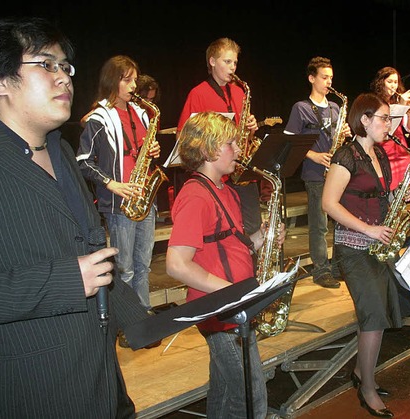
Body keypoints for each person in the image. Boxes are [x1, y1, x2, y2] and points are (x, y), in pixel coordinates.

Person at [0, 17, 151, 417]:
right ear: (0, 80)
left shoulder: (62, 152)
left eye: (66, 67)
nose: (64, 78)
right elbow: (75, 274)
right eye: (46, 65)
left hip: (103, 384)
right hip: (34, 391)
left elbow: (94, 254)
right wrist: (65, 281)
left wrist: (143, 322)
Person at [165, 111, 285, 419]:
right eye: (231, 143)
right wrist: (232, 292)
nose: (240, 150)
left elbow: (233, 243)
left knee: (224, 392)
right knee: (251, 398)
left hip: (235, 309)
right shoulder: (195, 195)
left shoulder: (225, 189)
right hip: (221, 312)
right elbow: (177, 264)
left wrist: (262, 236)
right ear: (209, 150)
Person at [323, 93, 410, 418]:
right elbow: (329, 204)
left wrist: (401, 197)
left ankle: (361, 373)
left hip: (378, 246)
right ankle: (368, 389)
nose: (389, 124)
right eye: (384, 118)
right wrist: (368, 229)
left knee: (376, 316)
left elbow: (381, 197)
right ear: (364, 119)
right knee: (373, 314)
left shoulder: (380, 155)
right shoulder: (345, 156)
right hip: (352, 247)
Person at [77, 55, 162, 347]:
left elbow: (140, 149)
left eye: (135, 79)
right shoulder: (98, 118)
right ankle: (128, 324)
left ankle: (143, 320)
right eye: (127, 79)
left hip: (144, 197)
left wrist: (152, 151)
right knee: (124, 267)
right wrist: (111, 183)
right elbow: (82, 161)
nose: (133, 85)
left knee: (143, 265)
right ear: (112, 81)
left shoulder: (141, 113)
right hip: (120, 202)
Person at [176, 37, 261, 236]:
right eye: (227, 61)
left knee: (253, 227)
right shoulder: (198, 93)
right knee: (224, 229)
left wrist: (252, 128)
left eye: (235, 62)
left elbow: (244, 136)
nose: (233, 67)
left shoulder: (240, 92)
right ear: (212, 61)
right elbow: (183, 135)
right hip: (215, 174)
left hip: (241, 170)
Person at [284, 56, 351, 289]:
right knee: (319, 225)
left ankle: (338, 265)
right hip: (315, 173)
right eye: (324, 78)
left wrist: (344, 131)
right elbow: (290, 142)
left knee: (341, 222)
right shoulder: (301, 108)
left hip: (337, 172)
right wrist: (313, 155)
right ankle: (321, 269)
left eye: (331, 78)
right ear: (312, 78)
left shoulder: (334, 108)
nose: (329, 83)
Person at [370, 67, 410, 325]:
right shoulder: (376, 105)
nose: (393, 85)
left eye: (396, 82)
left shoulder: (400, 104)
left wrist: (407, 109)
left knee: (395, 239)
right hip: (385, 164)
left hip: (402, 163)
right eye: (389, 81)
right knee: (389, 244)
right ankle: (398, 302)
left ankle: (400, 300)